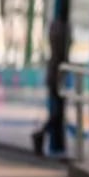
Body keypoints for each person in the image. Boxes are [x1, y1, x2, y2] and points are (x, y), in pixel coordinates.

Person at [31, 17, 70, 156]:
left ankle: (43, 136)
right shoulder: (61, 34)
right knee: (57, 113)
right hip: (56, 78)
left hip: (53, 76)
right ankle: (40, 135)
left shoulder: (54, 28)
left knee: (57, 112)